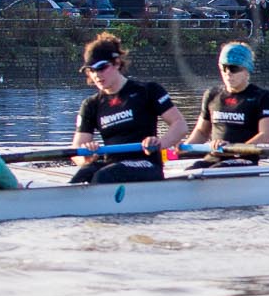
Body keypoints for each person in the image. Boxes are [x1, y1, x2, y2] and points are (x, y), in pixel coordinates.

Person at [70, 33, 187, 185]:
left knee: (103, 176)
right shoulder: (91, 105)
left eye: (102, 68)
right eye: (92, 70)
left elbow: (180, 125)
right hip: (112, 164)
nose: (97, 75)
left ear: (117, 63)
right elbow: (76, 149)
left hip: (146, 163)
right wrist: (85, 158)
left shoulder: (147, 91)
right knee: (83, 174)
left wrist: (159, 143)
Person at [183, 41, 269, 167]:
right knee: (191, 170)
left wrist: (234, 148)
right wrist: (182, 148)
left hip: (244, 158)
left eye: (234, 68)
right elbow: (201, 132)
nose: (228, 73)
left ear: (246, 70)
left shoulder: (262, 97)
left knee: (217, 170)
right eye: (224, 67)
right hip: (215, 156)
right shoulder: (212, 95)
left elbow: (266, 136)